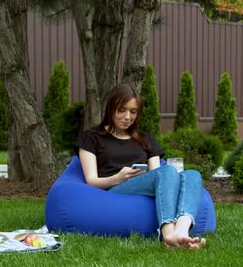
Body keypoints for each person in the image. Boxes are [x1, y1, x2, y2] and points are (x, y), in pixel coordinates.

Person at [75, 83, 207, 250]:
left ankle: (181, 232)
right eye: (121, 110)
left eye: (133, 111)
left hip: (143, 185)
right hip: (114, 190)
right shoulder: (91, 137)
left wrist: (147, 177)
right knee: (167, 171)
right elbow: (91, 181)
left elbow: (157, 173)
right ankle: (168, 234)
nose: (127, 117)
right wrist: (117, 178)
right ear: (110, 109)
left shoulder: (145, 139)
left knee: (193, 174)